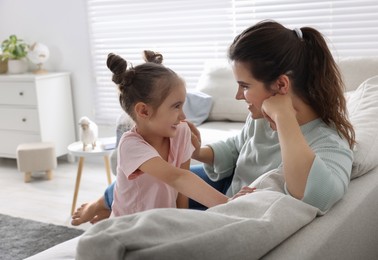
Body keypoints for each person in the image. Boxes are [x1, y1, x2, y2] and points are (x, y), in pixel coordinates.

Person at [72, 20, 355, 226]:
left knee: (172, 179)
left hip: (234, 197)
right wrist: (198, 150)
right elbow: (237, 146)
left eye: (245, 86)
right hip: (229, 187)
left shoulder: (329, 143)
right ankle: (104, 201)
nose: (238, 95)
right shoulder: (258, 120)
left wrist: (284, 118)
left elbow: (317, 196)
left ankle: (106, 203)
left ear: (281, 85)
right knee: (160, 176)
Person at [72, 50, 230, 224]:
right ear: (144, 111)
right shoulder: (131, 146)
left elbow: (182, 190)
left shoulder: (181, 132)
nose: (183, 116)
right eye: (176, 106)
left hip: (161, 224)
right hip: (130, 227)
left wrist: (182, 224)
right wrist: (231, 206)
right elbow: (178, 178)